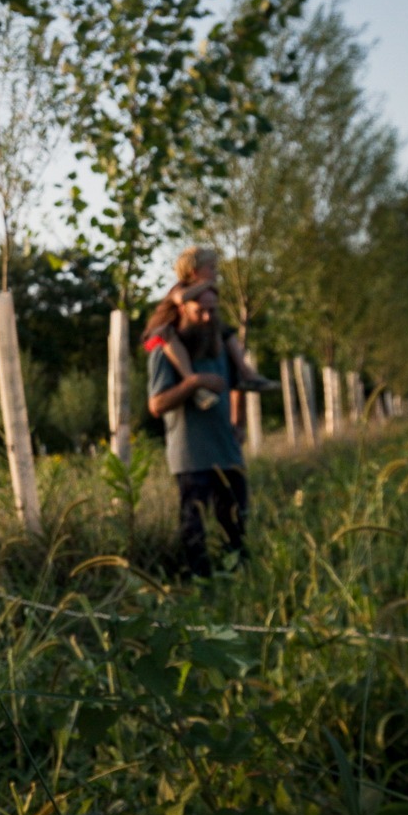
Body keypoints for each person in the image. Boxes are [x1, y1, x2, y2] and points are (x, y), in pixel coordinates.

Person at [147, 281, 247, 576]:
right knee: (195, 534)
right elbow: (156, 404)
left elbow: (238, 384)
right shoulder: (165, 351)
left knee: (237, 528)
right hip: (191, 458)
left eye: (212, 311)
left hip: (228, 453)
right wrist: (194, 382)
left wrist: (238, 422)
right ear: (182, 310)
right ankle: (200, 593)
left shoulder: (221, 345)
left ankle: (237, 586)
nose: (206, 317)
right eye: (199, 310)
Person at [146, 246, 276, 413]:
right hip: (161, 333)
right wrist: (206, 284)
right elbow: (180, 299)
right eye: (212, 268)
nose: (216, 273)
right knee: (170, 338)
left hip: (183, 332)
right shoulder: (181, 286)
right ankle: (190, 377)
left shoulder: (205, 291)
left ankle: (246, 372)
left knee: (226, 332)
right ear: (194, 272)